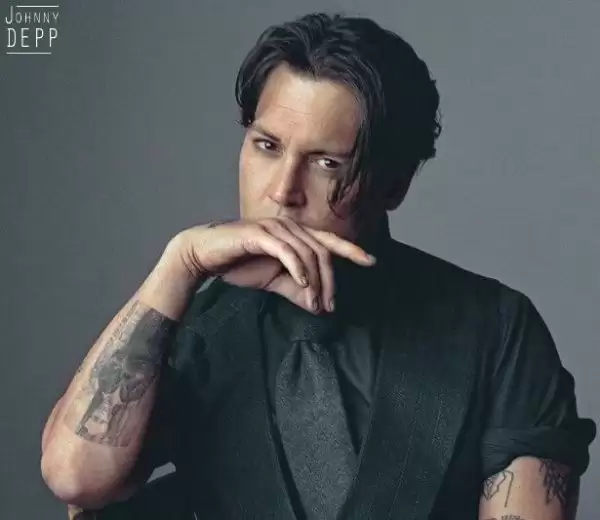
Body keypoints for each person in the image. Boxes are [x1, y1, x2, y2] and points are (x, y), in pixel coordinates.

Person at [41, 12, 595, 520]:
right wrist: (179, 264)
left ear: (394, 184)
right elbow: (75, 478)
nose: (283, 191)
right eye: (266, 146)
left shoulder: (495, 329)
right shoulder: (191, 328)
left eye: (327, 162)